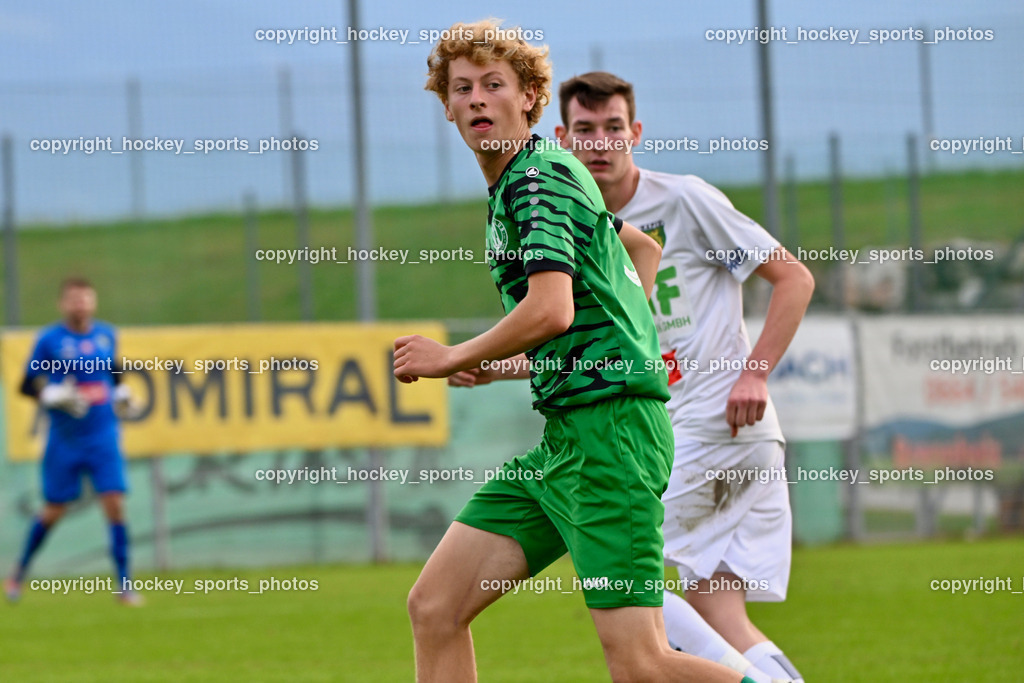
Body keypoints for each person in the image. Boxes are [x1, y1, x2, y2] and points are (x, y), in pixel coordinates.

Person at [394, 19, 746, 683]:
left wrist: (449, 355)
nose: (475, 99)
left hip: (611, 435)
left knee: (642, 664)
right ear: (445, 105)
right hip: (567, 442)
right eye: (461, 86)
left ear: (528, 97)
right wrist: (574, 348)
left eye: (492, 84)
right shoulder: (531, 177)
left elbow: (551, 309)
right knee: (436, 605)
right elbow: (638, 249)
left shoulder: (537, 181)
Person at [555, 71, 815, 683]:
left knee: (618, 576)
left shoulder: (684, 200)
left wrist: (754, 374)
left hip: (719, 426)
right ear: (564, 138)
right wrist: (489, 368)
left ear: (635, 132)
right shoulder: (573, 227)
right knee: (718, 613)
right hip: (696, 438)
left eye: (613, 128)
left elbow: (793, 278)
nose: (600, 143)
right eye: (586, 130)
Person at [5, 277, 142, 606]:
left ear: (93, 303)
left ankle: (124, 585)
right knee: (54, 510)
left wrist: (121, 392)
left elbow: (114, 372)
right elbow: (26, 384)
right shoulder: (50, 341)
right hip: (65, 439)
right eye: (74, 299)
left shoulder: (106, 335)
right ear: (62, 304)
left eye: (85, 299)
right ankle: (18, 573)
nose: (80, 305)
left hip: (103, 436)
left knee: (115, 504)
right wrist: (48, 393)